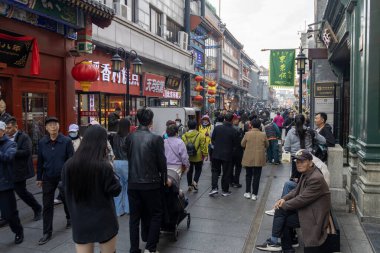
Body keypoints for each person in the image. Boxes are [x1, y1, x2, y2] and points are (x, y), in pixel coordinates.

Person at [256, 149, 332, 253]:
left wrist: (284, 204)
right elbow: (296, 190)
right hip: (309, 209)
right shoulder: (307, 172)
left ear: (310, 162)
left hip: (315, 215)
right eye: (297, 162)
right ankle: (285, 248)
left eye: (302, 162)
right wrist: (283, 199)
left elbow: (302, 199)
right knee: (282, 215)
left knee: (281, 211)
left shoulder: (316, 178)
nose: (299, 164)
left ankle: (276, 243)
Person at [62, 125, 121, 253]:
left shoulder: (68, 165)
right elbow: (115, 190)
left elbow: (65, 191)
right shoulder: (104, 166)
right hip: (104, 220)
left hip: (80, 220)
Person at [126, 108, 167, 253]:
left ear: (138, 120)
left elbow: (129, 156)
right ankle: (150, 248)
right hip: (151, 183)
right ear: (151, 121)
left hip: (133, 183)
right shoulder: (156, 139)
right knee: (156, 214)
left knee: (134, 219)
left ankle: (134, 248)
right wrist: (164, 179)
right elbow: (162, 163)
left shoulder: (130, 137)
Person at [36, 116, 74, 245]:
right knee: (47, 205)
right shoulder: (42, 142)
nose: (53, 126)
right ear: (46, 128)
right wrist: (39, 177)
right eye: (50, 125)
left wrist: (69, 175)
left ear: (59, 126)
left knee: (65, 198)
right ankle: (47, 232)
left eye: (55, 124)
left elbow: (71, 160)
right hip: (47, 177)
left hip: (63, 176)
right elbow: (40, 161)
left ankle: (69, 217)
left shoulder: (66, 141)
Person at [5, 117, 42, 221]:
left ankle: (37, 208)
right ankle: (6, 215)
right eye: (6, 128)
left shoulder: (23, 137)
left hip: (20, 170)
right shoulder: (4, 137)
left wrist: (12, 152)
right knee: (6, 194)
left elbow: (27, 152)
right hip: (7, 170)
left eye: (9, 128)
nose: (7, 130)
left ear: (16, 127)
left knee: (21, 192)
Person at [0, 121, 24, 244]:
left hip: (4, 185)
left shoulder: (10, 144)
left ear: (3, 131)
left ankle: (18, 231)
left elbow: (8, 157)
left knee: (10, 214)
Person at [284, 114, 326, 181]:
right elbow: (323, 141)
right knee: (308, 180)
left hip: (296, 160)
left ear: (294, 122)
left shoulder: (290, 132)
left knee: (295, 181)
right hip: (308, 160)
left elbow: (286, 148)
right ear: (304, 122)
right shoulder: (310, 131)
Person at [209, 112, 238, 197]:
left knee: (215, 171)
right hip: (227, 155)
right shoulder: (234, 131)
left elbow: (213, 139)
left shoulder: (217, 128)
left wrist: (217, 146)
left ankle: (214, 188)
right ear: (232, 120)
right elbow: (236, 145)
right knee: (226, 173)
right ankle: (225, 190)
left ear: (225, 119)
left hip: (216, 153)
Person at [241, 119, 269, 200]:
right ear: (260, 126)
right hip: (259, 158)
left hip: (248, 157)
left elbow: (242, 144)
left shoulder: (247, 134)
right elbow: (267, 145)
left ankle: (247, 192)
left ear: (251, 125)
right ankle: (254, 194)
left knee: (248, 175)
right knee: (257, 176)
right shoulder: (263, 134)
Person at [182, 120, 207, 192]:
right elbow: (203, 146)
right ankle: (195, 182)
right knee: (198, 169)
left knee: (189, 170)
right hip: (198, 156)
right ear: (196, 126)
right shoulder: (200, 135)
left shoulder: (184, 136)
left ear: (188, 126)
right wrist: (205, 154)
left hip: (188, 157)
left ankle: (189, 185)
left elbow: (183, 147)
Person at [112, 118, 130, 216]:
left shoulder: (115, 136)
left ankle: (118, 211)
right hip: (126, 162)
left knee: (119, 185)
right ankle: (127, 209)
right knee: (128, 186)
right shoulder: (129, 137)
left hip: (116, 162)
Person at [164, 124, 190, 189]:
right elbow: (184, 156)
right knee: (175, 184)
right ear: (176, 133)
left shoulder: (163, 142)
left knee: (166, 185)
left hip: (165, 167)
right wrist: (187, 165)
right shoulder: (180, 142)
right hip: (177, 167)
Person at [231, 114, 244, 188]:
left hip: (231, 151)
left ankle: (231, 181)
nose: (237, 121)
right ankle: (236, 182)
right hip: (238, 151)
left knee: (231, 167)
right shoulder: (239, 130)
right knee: (238, 168)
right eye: (236, 119)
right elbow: (242, 142)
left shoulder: (229, 129)